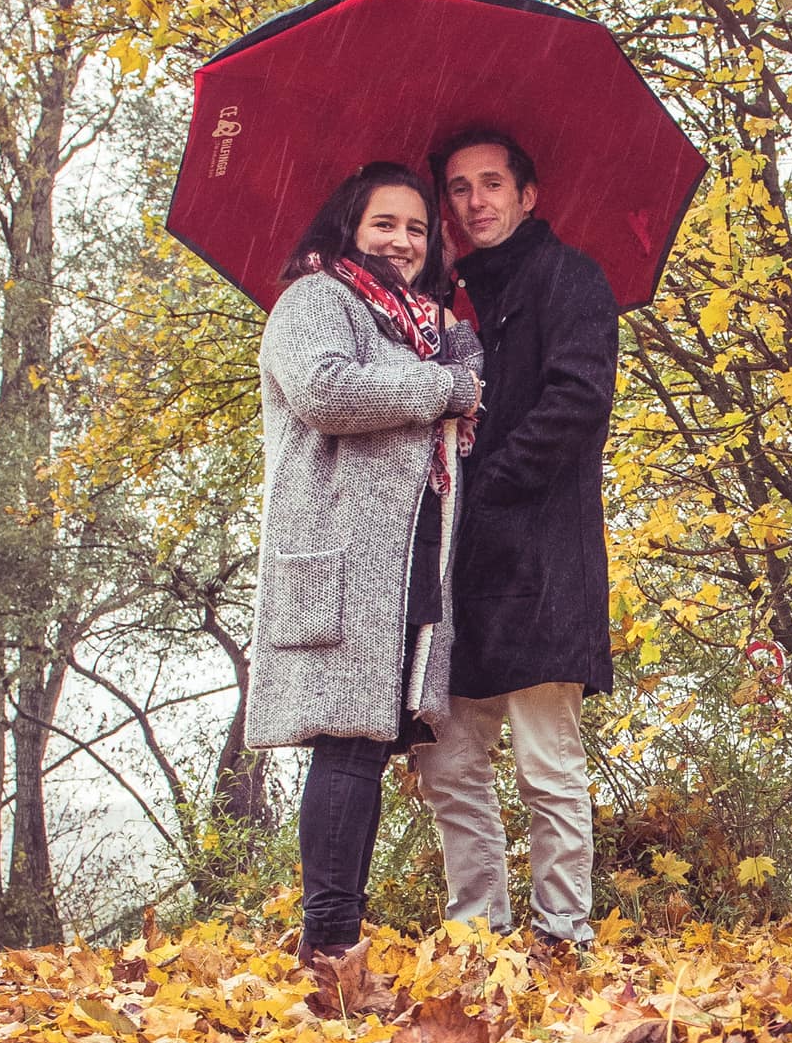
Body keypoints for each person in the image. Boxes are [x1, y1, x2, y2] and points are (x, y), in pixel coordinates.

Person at [244, 161, 482, 983]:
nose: (404, 241)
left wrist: (456, 361)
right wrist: (443, 383)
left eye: (418, 228)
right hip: (343, 562)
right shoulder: (316, 300)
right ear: (351, 225)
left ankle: (335, 939)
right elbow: (327, 390)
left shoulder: (422, 325)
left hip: (407, 564)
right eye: (387, 223)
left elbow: (453, 403)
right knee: (345, 746)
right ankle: (331, 949)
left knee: (370, 745)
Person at [416, 129, 618, 947]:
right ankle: (479, 937)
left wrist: (490, 483)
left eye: (492, 183)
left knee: (546, 763)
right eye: (459, 189)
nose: (476, 202)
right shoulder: (447, 301)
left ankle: (563, 936)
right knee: (449, 765)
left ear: (528, 195)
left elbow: (577, 400)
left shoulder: (572, 278)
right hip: (460, 571)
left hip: (543, 565)